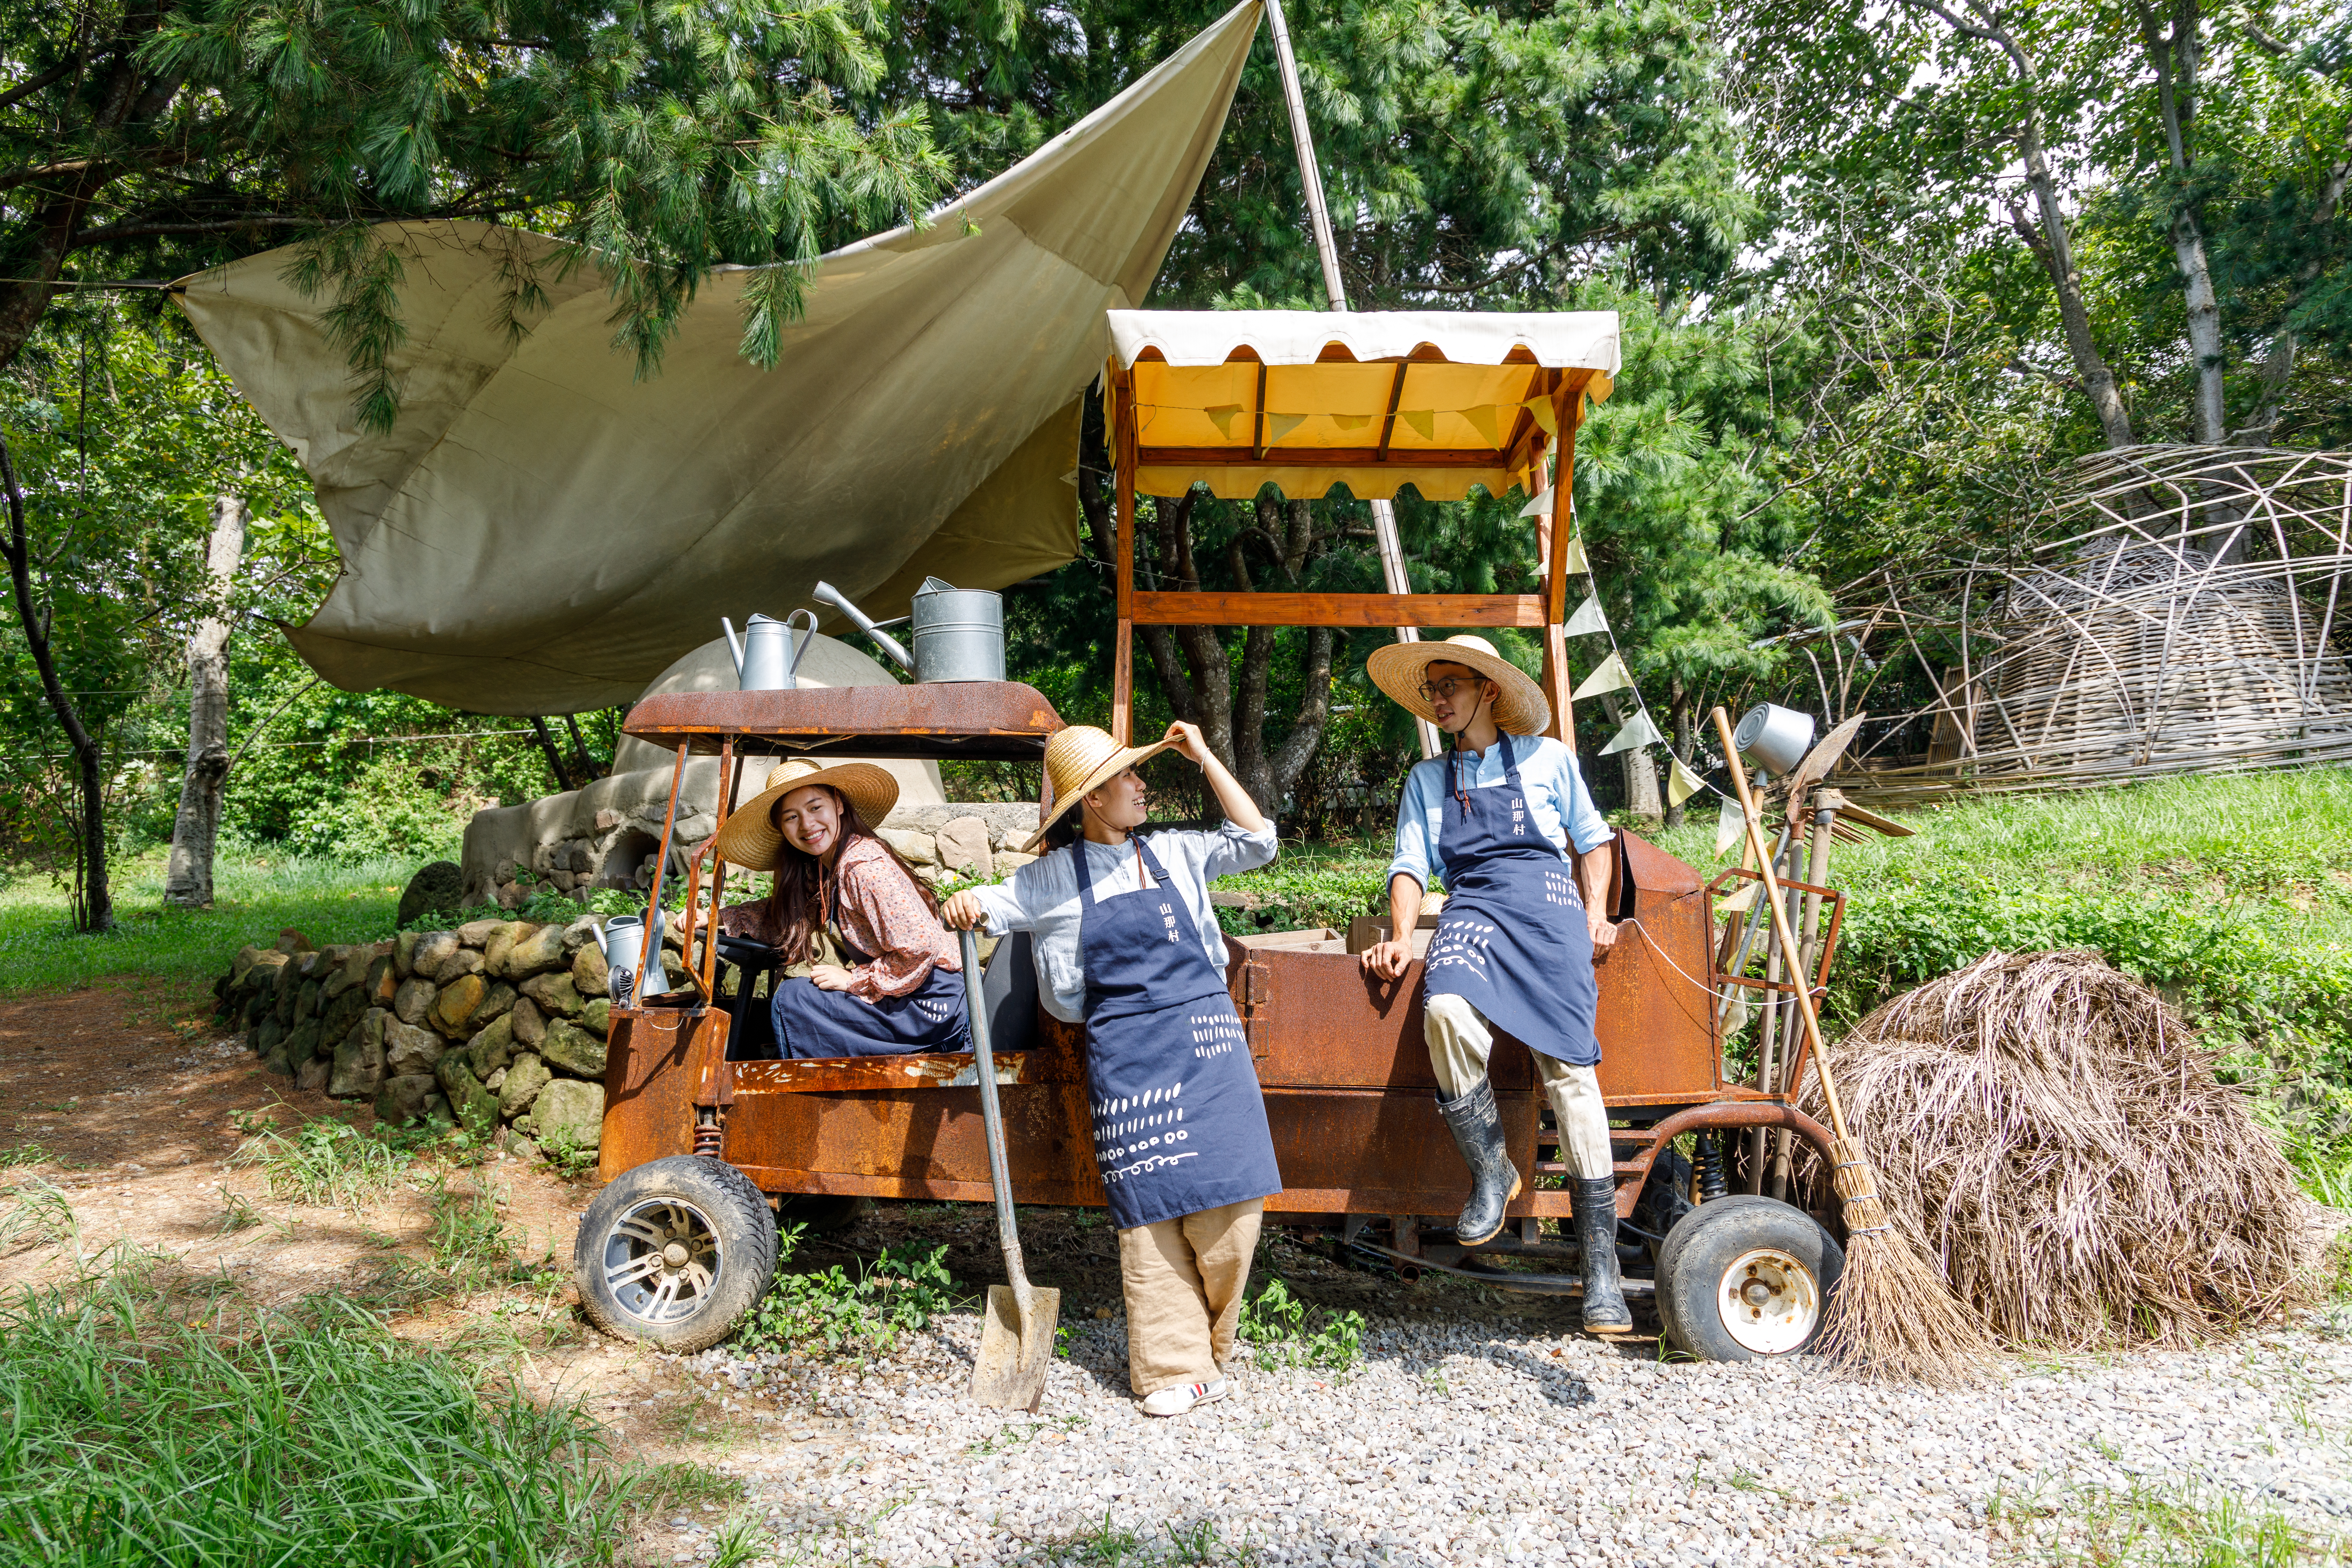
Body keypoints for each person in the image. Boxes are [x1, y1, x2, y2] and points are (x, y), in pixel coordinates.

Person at [942, 721, 1281, 1417]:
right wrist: (967, 901)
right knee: (1149, 1211)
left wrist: (1208, 755)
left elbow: (1259, 841)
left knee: (1233, 1200)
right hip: (1125, 1049)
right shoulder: (1048, 879)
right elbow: (995, 906)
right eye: (1128, 776)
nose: (1142, 783)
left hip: (1207, 1040)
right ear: (1093, 798)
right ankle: (1169, 1366)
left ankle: (1213, 1347)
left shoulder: (1178, 852)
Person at [1358, 634, 1630, 1334]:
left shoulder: (1548, 759)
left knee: (1572, 1071)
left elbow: (1594, 839)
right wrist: (1399, 935)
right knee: (1444, 1005)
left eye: (1450, 684)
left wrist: (1596, 913)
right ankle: (1491, 1169)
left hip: (1547, 909)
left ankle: (1600, 1272)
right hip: (1473, 904)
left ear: (1488, 690)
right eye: (1432, 688)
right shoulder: (1427, 779)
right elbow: (1410, 865)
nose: (1439, 698)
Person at [710, 758, 968, 1059]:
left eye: (815, 807)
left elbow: (920, 946)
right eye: (792, 817)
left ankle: (812, 1099)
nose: (807, 825)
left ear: (839, 805)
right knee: (797, 997)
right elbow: (782, 915)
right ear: (782, 829)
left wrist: (853, 981)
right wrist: (719, 918)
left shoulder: (863, 867)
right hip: (908, 996)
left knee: (794, 1000)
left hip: (930, 1005)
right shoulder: (828, 870)